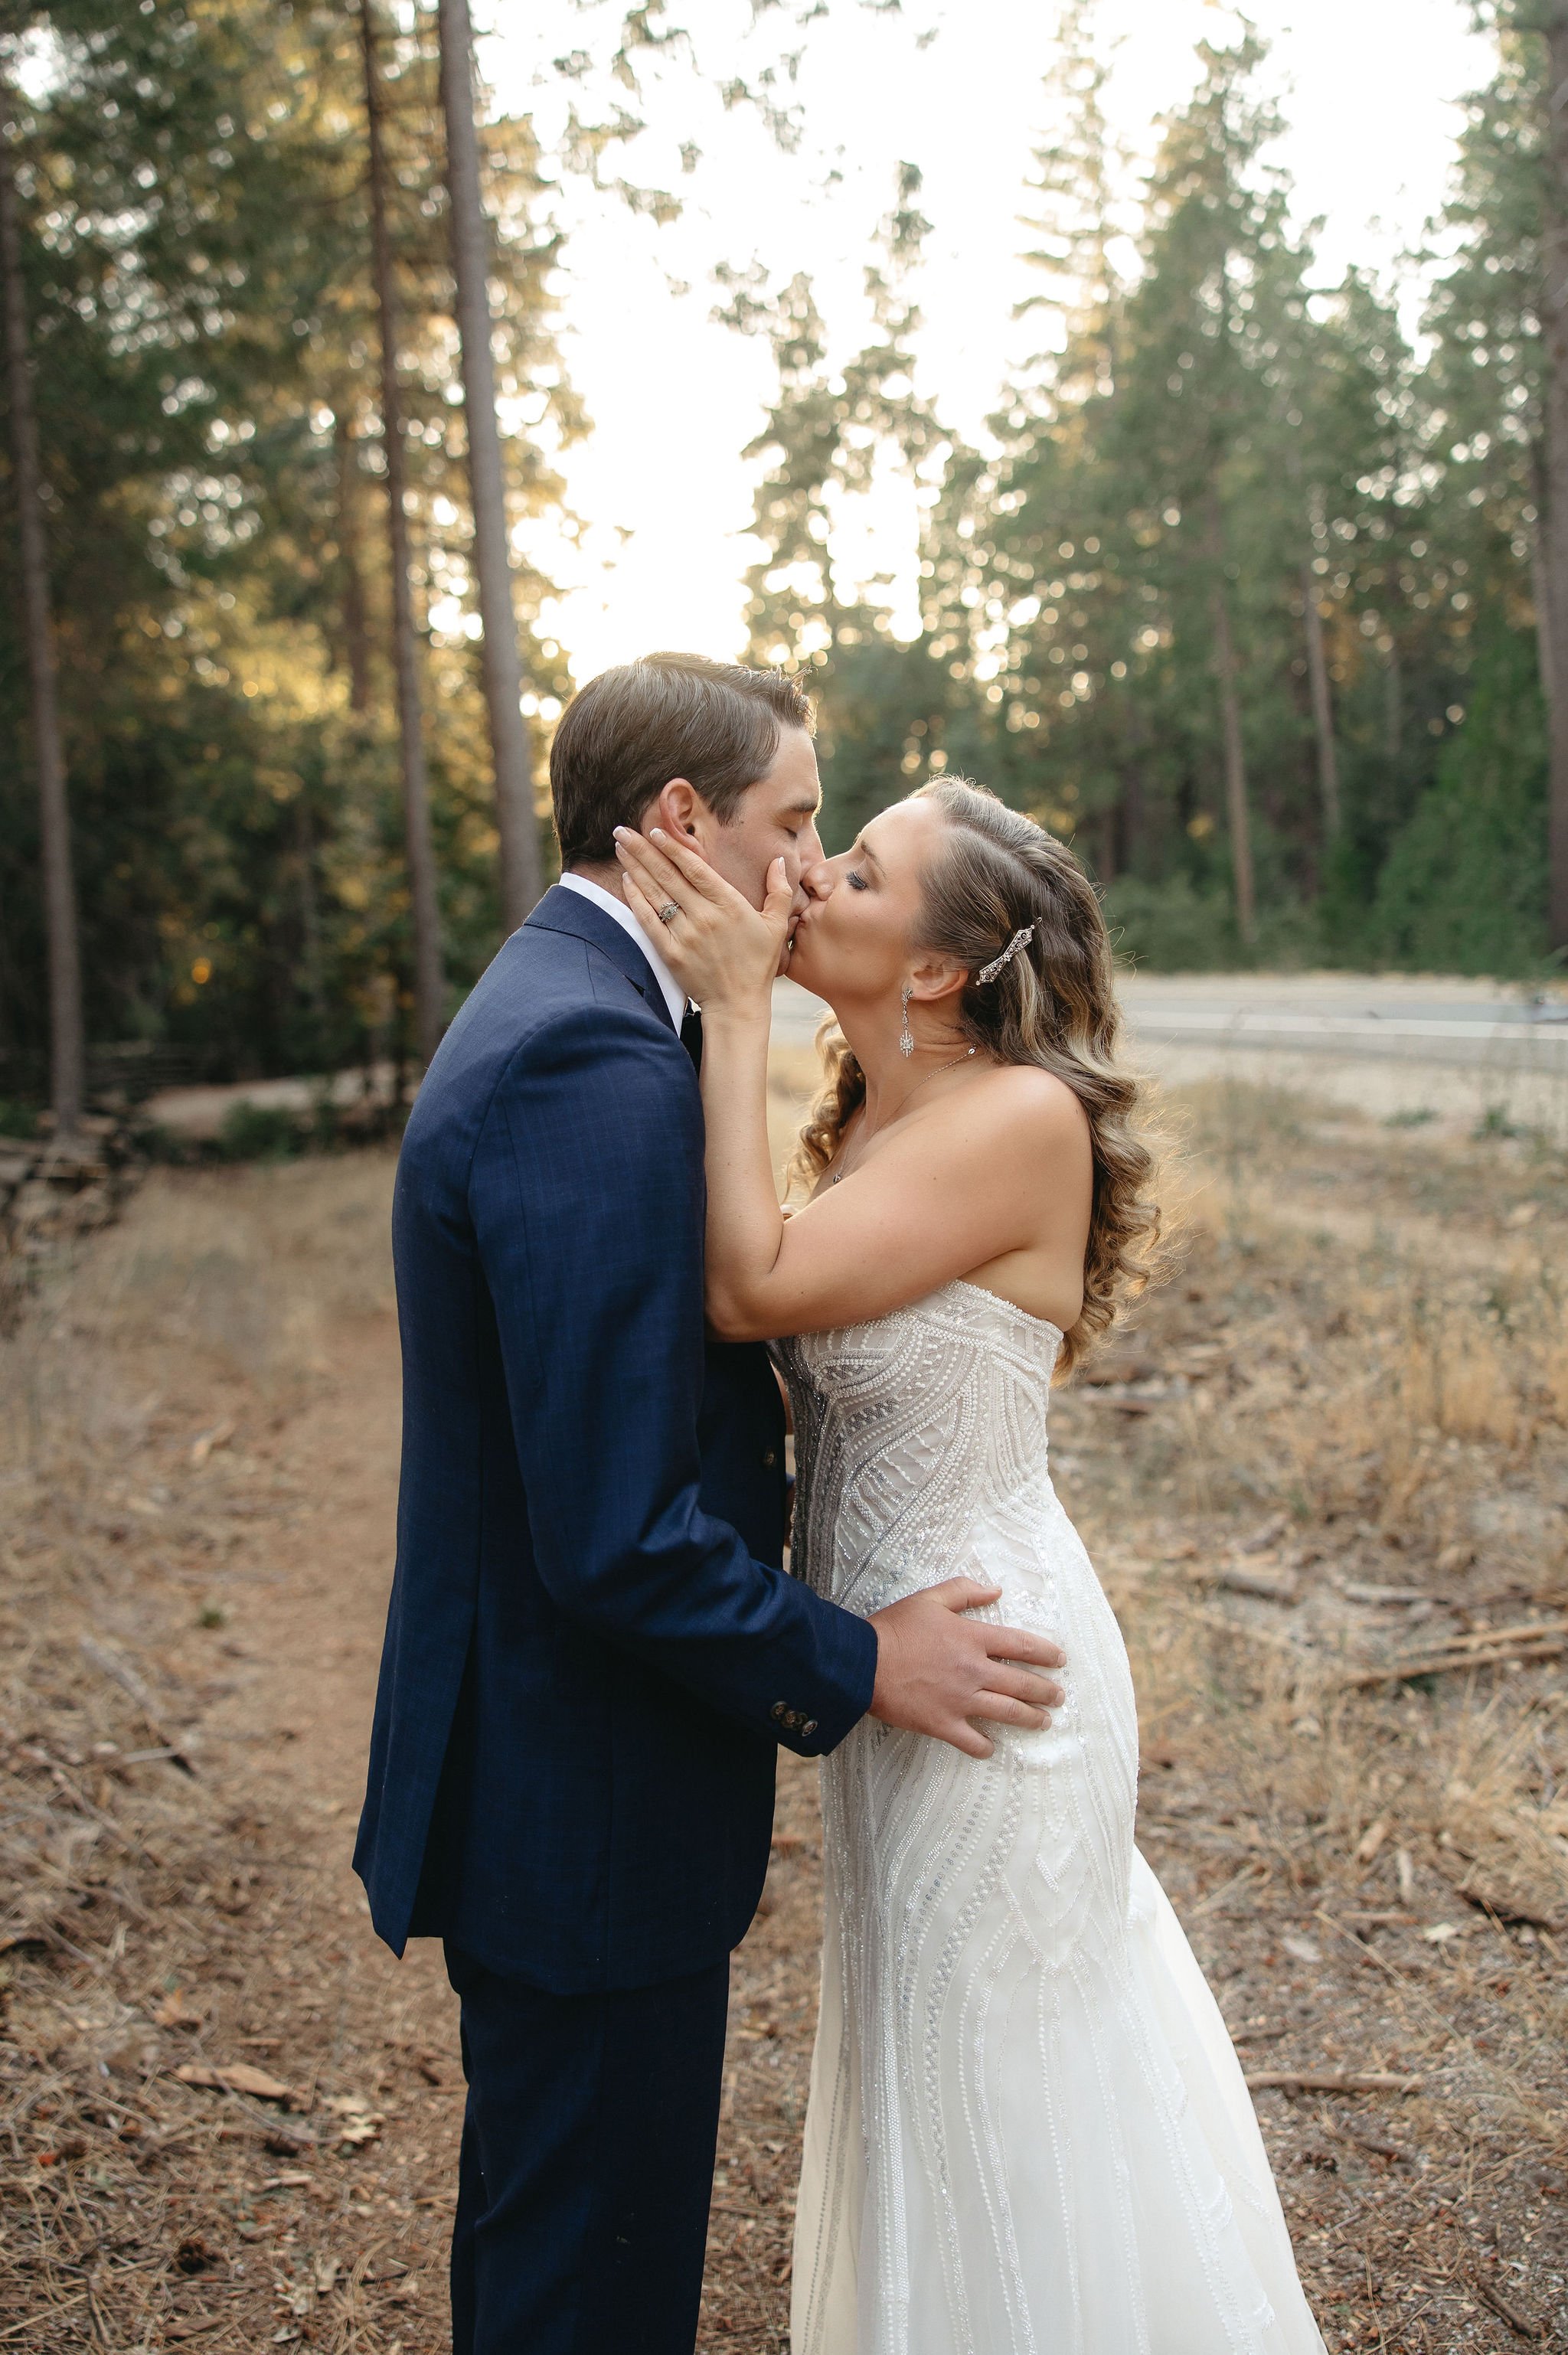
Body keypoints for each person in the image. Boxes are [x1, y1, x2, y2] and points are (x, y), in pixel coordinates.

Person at [352, 655, 1067, 2355]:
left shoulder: (591, 1018)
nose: (809, 865)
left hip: (581, 1777)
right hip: (579, 1792)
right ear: (683, 819)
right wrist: (852, 1659)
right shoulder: (583, 1061)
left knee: (564, 2249)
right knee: (582, 2286)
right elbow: (612, 1526)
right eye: (796, 819)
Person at [616, 776, 1328, 2355]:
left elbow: (754, 1284)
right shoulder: (872, 1113)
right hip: (898, 1669)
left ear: (935, 968)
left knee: (998, 2079)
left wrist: (732, 1006)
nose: (809, 875)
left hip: (995, 1676)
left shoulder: (1019, 1116)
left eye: (855, 870)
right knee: (928, 2067)